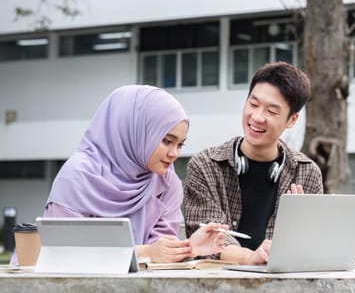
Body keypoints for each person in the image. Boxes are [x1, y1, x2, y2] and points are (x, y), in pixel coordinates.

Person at [11, 85, 226, 266]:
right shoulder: (79, 176)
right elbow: (62, 253)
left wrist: (189, 247)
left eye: (180, 144)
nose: (174, 153)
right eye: (167, 141)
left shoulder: (167, 184)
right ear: (137, 131)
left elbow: (161, 255)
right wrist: (146, 253)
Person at [183, 61, 323, 265]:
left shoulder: (306, 173)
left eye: (272, 112)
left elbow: (312, 245)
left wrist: (298, 228)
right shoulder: (206, 165)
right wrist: (250, 258)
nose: (257, 117)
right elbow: (207, 240)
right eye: (253, 104)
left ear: (292, 120)